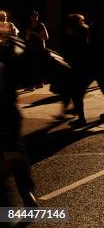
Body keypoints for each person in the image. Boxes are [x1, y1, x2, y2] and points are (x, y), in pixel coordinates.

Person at [0, 37, 38, 207]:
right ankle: (27, 193)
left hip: (5, 116)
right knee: (16, 152)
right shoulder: (6, 66)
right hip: (12, 114)